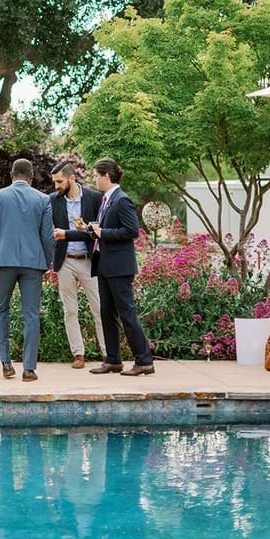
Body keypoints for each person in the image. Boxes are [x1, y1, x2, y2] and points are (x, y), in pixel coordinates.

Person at [83, 157, 155, 377]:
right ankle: (113, 360)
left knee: (127, 313)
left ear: (106, 176)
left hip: (119, 267)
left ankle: (144, 361)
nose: (94, 179)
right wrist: (90, 229)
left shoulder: (122, 200)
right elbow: (105, 230)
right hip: (104, 265)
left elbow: (131, 230)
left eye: (96, 175)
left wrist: (103, 233)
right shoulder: (107, 200)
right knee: (107, 314)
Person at [0, 157, 54, 381]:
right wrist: (47, 263)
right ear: (31, 177)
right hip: (33, 262)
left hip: (4, 260)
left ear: (11, 176)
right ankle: (29, 368)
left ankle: (5, 362)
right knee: (31, 314)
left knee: (0, 310)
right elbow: (48, 237)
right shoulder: (43, 199)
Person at [49, 159, 107, 367]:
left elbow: (96, 233)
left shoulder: (94, 198)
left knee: (99, 308)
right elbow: (49, 232)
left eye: (60, 182)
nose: (56, 187)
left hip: (89, 261)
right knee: (70, 310)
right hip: (65, 262)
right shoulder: (53, 200)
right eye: (54, 182)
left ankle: (107, 353)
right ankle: (78, 354)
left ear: (72, 178)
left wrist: (68, 234)